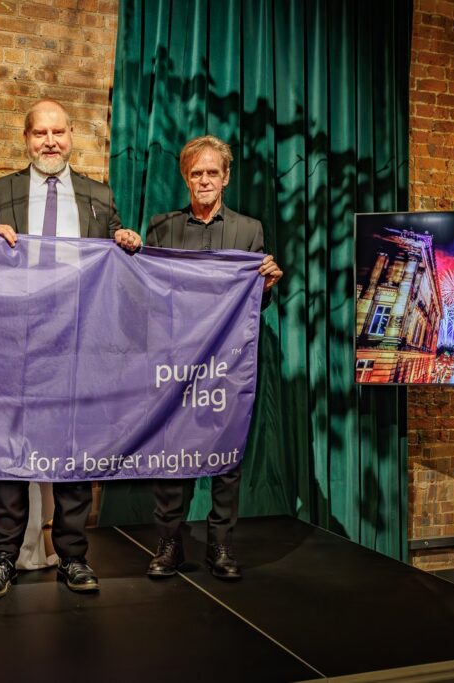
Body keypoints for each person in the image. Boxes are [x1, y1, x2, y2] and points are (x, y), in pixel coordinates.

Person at [0, 98, 142, 599]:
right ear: (26, 139)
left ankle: (73, 557)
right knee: (10, 455)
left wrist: (123, 237)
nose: (50, 142)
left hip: (77, 344)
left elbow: (111, 250)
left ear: (71, 136)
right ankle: (3, 557)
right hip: (13, 344)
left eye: (58, 133)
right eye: (40, 133)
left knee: (73, 455)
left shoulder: (97, 194)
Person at [144, 135, 282, 581]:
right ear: (187, 177)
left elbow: (251, 302)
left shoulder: (249, 230)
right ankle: (169, 543)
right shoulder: (162, 227)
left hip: (227, 361)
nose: (204, 180)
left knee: (227, 453)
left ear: (226, 177)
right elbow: (147, 292)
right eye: (196, 173)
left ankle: (220, 545)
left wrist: (265, 286)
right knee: (172, 454)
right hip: (176, 360)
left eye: (212, 173)